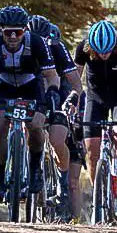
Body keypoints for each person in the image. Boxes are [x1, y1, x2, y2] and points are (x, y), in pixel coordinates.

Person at [0, 6, 61, 204]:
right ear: (0, 30)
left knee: (36, 126)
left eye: (18, 32)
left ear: (25, 30)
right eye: (8, 32)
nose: (13, 37)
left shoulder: (37, 43)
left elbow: (51, 75)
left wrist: (53, 91)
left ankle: (35, 169)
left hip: (31, 85)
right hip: (3, 85)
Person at [74, 20, 117, 217]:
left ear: (115, 45)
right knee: (91, 150)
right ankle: (99, 196)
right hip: (95, 98)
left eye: (107, 52)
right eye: (99, 52)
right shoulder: (83, 49)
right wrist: (72, 100)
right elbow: (74, 80)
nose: (103, 56)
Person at [29, 15, 85, 220]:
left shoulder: (58, 49)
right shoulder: (22, 49)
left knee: (57, 139)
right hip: (34, 93)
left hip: (59, 91)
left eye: (44, 42)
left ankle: (61, 183)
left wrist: (70, 101)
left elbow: (76, 84)